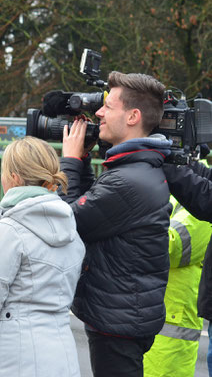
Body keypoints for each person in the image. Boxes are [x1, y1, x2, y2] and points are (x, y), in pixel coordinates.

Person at [60, 71, 173, 377]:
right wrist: (82, 161)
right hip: (124, 312)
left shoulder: (128, 180)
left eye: (108, 107)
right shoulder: (135, 168)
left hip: (118, 320)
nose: (98, 113)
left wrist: (69, 161)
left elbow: (67, 222)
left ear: (133, 116)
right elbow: (95, 207)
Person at [0, 136, 85, 377]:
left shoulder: (9, 230)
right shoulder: (71, 228)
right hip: (64, 358)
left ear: (15, 178)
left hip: (16, 360)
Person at [143, 190, 212, 377]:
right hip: (158, 311)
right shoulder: (176, 188)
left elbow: (172, 247)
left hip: (173, 320)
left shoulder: (200, 193)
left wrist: (132, 223)